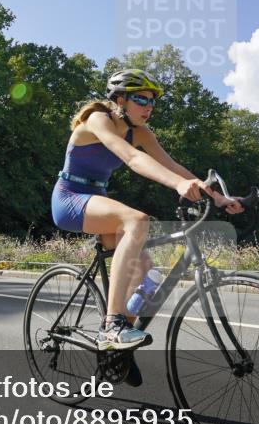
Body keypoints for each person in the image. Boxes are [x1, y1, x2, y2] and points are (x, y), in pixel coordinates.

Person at [51, 69, 243, 351]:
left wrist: (216, 197)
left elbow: (172, 165)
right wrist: (178, 185)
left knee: (147, 275)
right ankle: (111, 325)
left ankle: (118, 352)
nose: (149, 107)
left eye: (152, 101)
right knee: (137, 220)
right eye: (141, 99)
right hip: (70, 197)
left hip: (98, 199)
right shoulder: (98, 119)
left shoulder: (140, 132)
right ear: (119, 99)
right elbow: (131, 157)